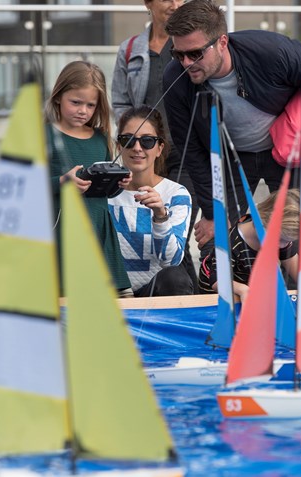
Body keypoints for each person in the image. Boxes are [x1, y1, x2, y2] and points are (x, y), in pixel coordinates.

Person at [162, 0, 301, 254]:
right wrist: (212, 213)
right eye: (178, 54)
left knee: (294, 239)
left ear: (222, 42)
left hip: (283, 152)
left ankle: (289, 281)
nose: (187, 63)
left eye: (196, 53)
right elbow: (190, 150)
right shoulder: (175, 78)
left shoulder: (272, 52)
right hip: (231, 158)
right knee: (216, 242)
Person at [111, 0, 201, 291]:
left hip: (185, 153)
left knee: (176, 234)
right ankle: (179, 296)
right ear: (148, 3)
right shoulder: (130, 49)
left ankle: (185, 299)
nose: (175, 4)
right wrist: (135, 136)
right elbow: (120, 101)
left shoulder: (194, 46)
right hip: (144, 148)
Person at [46, 60, 132, 295]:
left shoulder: (100, 138)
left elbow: (104, 192)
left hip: (97, 229)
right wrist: (62, 181)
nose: (83, 110)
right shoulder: (44, 135)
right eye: (75, 102)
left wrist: (117, 184)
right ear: (58, 97)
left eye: (90, 105)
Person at [108, 106, 193, 297]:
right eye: (128, 140)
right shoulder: (104, 189)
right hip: (107, 293)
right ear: (119, 146)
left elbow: (171, 261)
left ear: (160, 148)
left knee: (176, 277)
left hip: (154, 293)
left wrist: (161, 217)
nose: (137, 148)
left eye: (147, 141)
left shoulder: (176, 194)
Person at [198, 189, 300, 304]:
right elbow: (217, 280)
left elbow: (296, 267)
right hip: (216, 293)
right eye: (280, 239)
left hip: (249, 287)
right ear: (262, 223)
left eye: (288, 241)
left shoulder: (278, 237)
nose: (282, 246)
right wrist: (242, 290)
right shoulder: (231, 244)